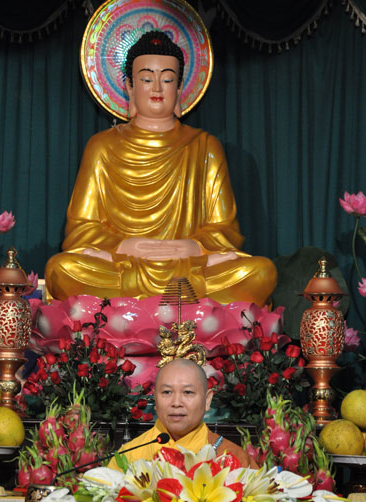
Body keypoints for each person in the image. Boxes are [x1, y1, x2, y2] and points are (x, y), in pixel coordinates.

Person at [45, 30, 277, 306]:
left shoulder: (205, 146)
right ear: (129, 86)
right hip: (125, 264)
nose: (157, 88)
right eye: (146, 79)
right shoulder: (101, 146)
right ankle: (181, 304)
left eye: (167, 79)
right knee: (60, 270)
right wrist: (127, 246)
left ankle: (131, 306)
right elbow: (81, 230)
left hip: (186, 265)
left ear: (179, 89)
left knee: (262, 272)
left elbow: (224, 230)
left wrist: (188, 247)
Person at [108, 358, 258, 468]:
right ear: (155, 399)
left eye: (188, 392)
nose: (176, 402)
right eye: (167, 392)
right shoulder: (129, 456)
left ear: (207, 400)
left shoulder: (232, 457)